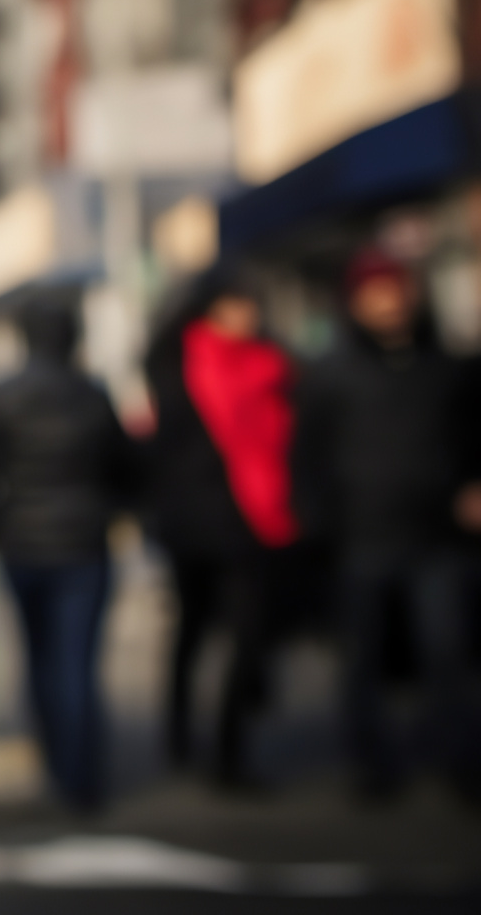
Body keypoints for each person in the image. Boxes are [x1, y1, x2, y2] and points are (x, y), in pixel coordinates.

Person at [294, 250, 481, 800]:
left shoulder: (446, 367)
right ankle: (372, 765)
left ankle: (460, 761)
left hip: (438, 536)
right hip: (360, 537)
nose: (389, 304)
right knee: (364, 660)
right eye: (376, 294)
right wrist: (316, 529)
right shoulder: (329, 376)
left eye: (397, 291)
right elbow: (307, 458)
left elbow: (472, 438)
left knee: (446, 653)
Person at [0, 296, 137, 810]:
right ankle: (84, 778)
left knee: (40, 659)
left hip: (21, 545)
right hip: (84, 546)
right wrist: (111, 512)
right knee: (77, 662)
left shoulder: (3, 396)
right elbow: (127, 465)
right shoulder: (92, 394)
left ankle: (58, 764)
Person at [143, 269, 298, 787]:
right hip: (194, 525)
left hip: (255, 518)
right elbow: (163, 451)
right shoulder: (174, 362)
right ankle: (180, 736)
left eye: (250, 306)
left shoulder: (273, 365)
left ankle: (230, 754)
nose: (244, 317)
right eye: (233, 305)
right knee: (192, 633)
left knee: (248, 636)